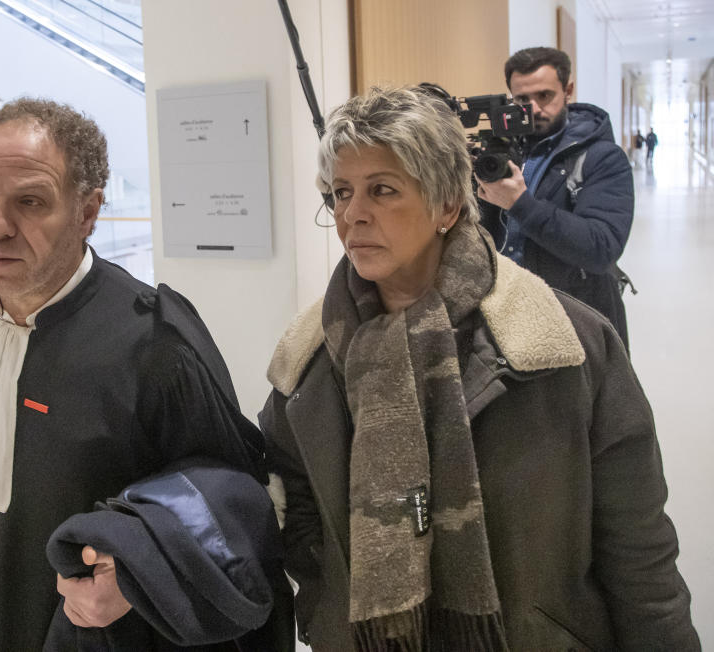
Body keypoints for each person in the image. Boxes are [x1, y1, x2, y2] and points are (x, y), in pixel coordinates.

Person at [261, 85, 699, 651]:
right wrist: (329, 609)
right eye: (341, 193)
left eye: (382, 190)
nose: (353, 215)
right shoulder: (309, 358)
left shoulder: (566, 345)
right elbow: (292, 506)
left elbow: (640, 556)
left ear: (447, 204)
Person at [0, 98, 293, 651]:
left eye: (30, 202)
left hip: (111, 629)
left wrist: (138, 578)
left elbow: (231, 500)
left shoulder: (154, 340)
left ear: (88, 212)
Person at [477, 47, 634, 348]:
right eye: (522, 99)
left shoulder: (602, 157)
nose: (533, 108)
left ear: (568, 90)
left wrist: (520, 205)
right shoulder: (501, 153)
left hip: (576, 316)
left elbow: (601, 248)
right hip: (506, 312)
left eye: (544, 96)